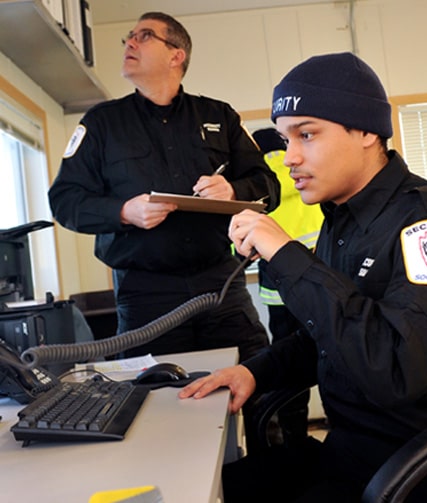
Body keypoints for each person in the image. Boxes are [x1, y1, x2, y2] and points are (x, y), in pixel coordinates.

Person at [179, 52, 427, 502]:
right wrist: (253, 372)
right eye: (286, 138)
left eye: (307, 135)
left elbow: (393, 369)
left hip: (419, 473)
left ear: (368, 131)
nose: (288, 158)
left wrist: (287, 255)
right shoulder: (340, 220)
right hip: (350, 456)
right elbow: (326, 336)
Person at [48, 12, 280, 365]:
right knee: (156, 401)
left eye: (144, 36)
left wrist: (232, 191)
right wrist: (124, 212)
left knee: (255, 382)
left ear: (176, 55)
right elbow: (65, 201)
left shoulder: (220, 116)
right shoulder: (101, 124)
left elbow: (269, 187)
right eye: (129, 36)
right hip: (145, 295)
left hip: (219, 285)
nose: (130, 42)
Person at [252, 127, 324, 446]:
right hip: (318, 287)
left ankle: (293, 436)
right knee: (331, 357)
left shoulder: (258, 185)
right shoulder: (308, 174)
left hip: (279, 295)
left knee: (289, 365)